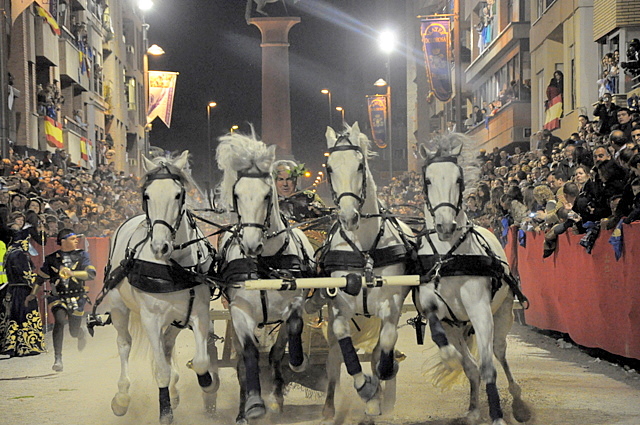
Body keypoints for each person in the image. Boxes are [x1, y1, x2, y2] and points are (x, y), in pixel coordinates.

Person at [27, 229, 96, 371]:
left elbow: (91, 274)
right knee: (59, 320)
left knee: (73, 331)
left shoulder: (82, 255)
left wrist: (73, 273)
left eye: (77, 238)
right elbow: (40, 278)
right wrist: (33, 293)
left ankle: (79, 333)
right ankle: (58, 358)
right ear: (63, 241)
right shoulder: (52, 258)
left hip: (77, 296)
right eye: (73, 239)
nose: (77, 240)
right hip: (58, 296)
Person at [0, 220, 45, 357]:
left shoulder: (9, 252)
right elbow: (26, 275)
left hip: (12, 290)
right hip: (23, 291)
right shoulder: (20, 254)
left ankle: (11, 345)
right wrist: (38, 281)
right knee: (24, 317)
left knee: (13, 318)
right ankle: (27, 345)